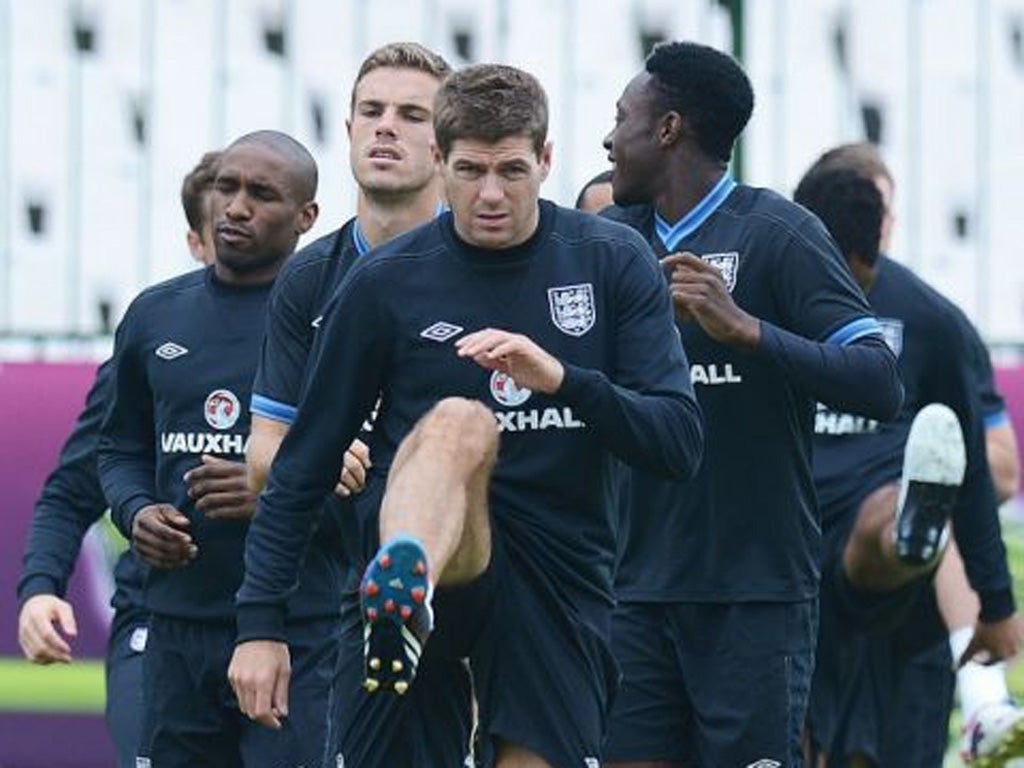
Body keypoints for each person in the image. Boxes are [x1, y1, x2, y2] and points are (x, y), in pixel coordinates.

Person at [229, 63, 704, 768]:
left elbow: (678, 443)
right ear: (440, 164)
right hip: (430, 547)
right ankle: (404, 586)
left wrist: (562, 379)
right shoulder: (385, 282)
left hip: (558, 572)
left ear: (545, 160)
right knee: (459, 421)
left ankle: (404, 589)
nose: (490, 194)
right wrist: (259, 626)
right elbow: (305, 463)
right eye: (470, 170)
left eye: (511, 170)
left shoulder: (609, 260)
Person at [598, 41, 903, 768]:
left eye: (622, 119)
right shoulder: (607, 243)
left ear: (668, 128)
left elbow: (880, 382)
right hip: (630, 590)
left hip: (754, 594)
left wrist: (750, 332)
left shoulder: (778, 231)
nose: (609, 139)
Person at [240, 42, 475, 768]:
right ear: (345, 131)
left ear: (444, 146)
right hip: (363, 584)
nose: (385, 129)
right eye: (371, 112)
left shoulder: (487, 259)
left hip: (491, 575)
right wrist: (319, 446)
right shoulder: (310, 277)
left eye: (410, 115)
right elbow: (263, 461)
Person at [97, 130, 327, 767]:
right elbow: (117, 450)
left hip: (295, 632)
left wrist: (270, 492)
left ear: (306, 216)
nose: (236, 206)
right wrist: (137, 511)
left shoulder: (332, 322)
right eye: (227, 186)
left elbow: (369, 476)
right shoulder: (154, 315)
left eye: (261, 193)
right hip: (176, 629)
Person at [795, 146, 1023, 767]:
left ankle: (913, 528)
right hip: (788, 550)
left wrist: (996, 600)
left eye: (885, 210)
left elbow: (993, 465)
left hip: (898, 602)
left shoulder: (933, 321)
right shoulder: (758, 306)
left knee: (921, 499)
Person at [16, 150, 220, 768]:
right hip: (157, 627)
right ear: (195, 242)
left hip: (291, 629)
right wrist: (40, 587)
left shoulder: (316, 344)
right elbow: (73, 486)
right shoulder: (152, 344)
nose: (244, 231)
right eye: (224, 225)